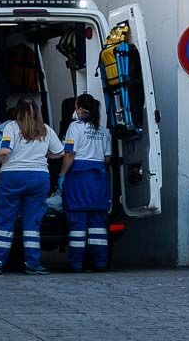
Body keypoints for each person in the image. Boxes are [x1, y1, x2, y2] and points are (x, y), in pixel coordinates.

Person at [0, 98, 64, 275]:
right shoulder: (45, 129)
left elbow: (5, 150)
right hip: (39, 177)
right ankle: (33, 263)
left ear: (18, 111)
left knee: (5, 219)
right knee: (32, 222)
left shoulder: (12, 127)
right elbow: (59, 152)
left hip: (13, 176)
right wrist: (43, 156)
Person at [59, 93, 112, 272]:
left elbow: (69, 154)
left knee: (77, 226)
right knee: (98, 226)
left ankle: (76, 264)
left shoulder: (75, 127)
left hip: (78, 179)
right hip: (98, 181)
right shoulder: (104, 131)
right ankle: (100, 263)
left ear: (80, 108)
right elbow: (107, 159)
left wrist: (62, 175)